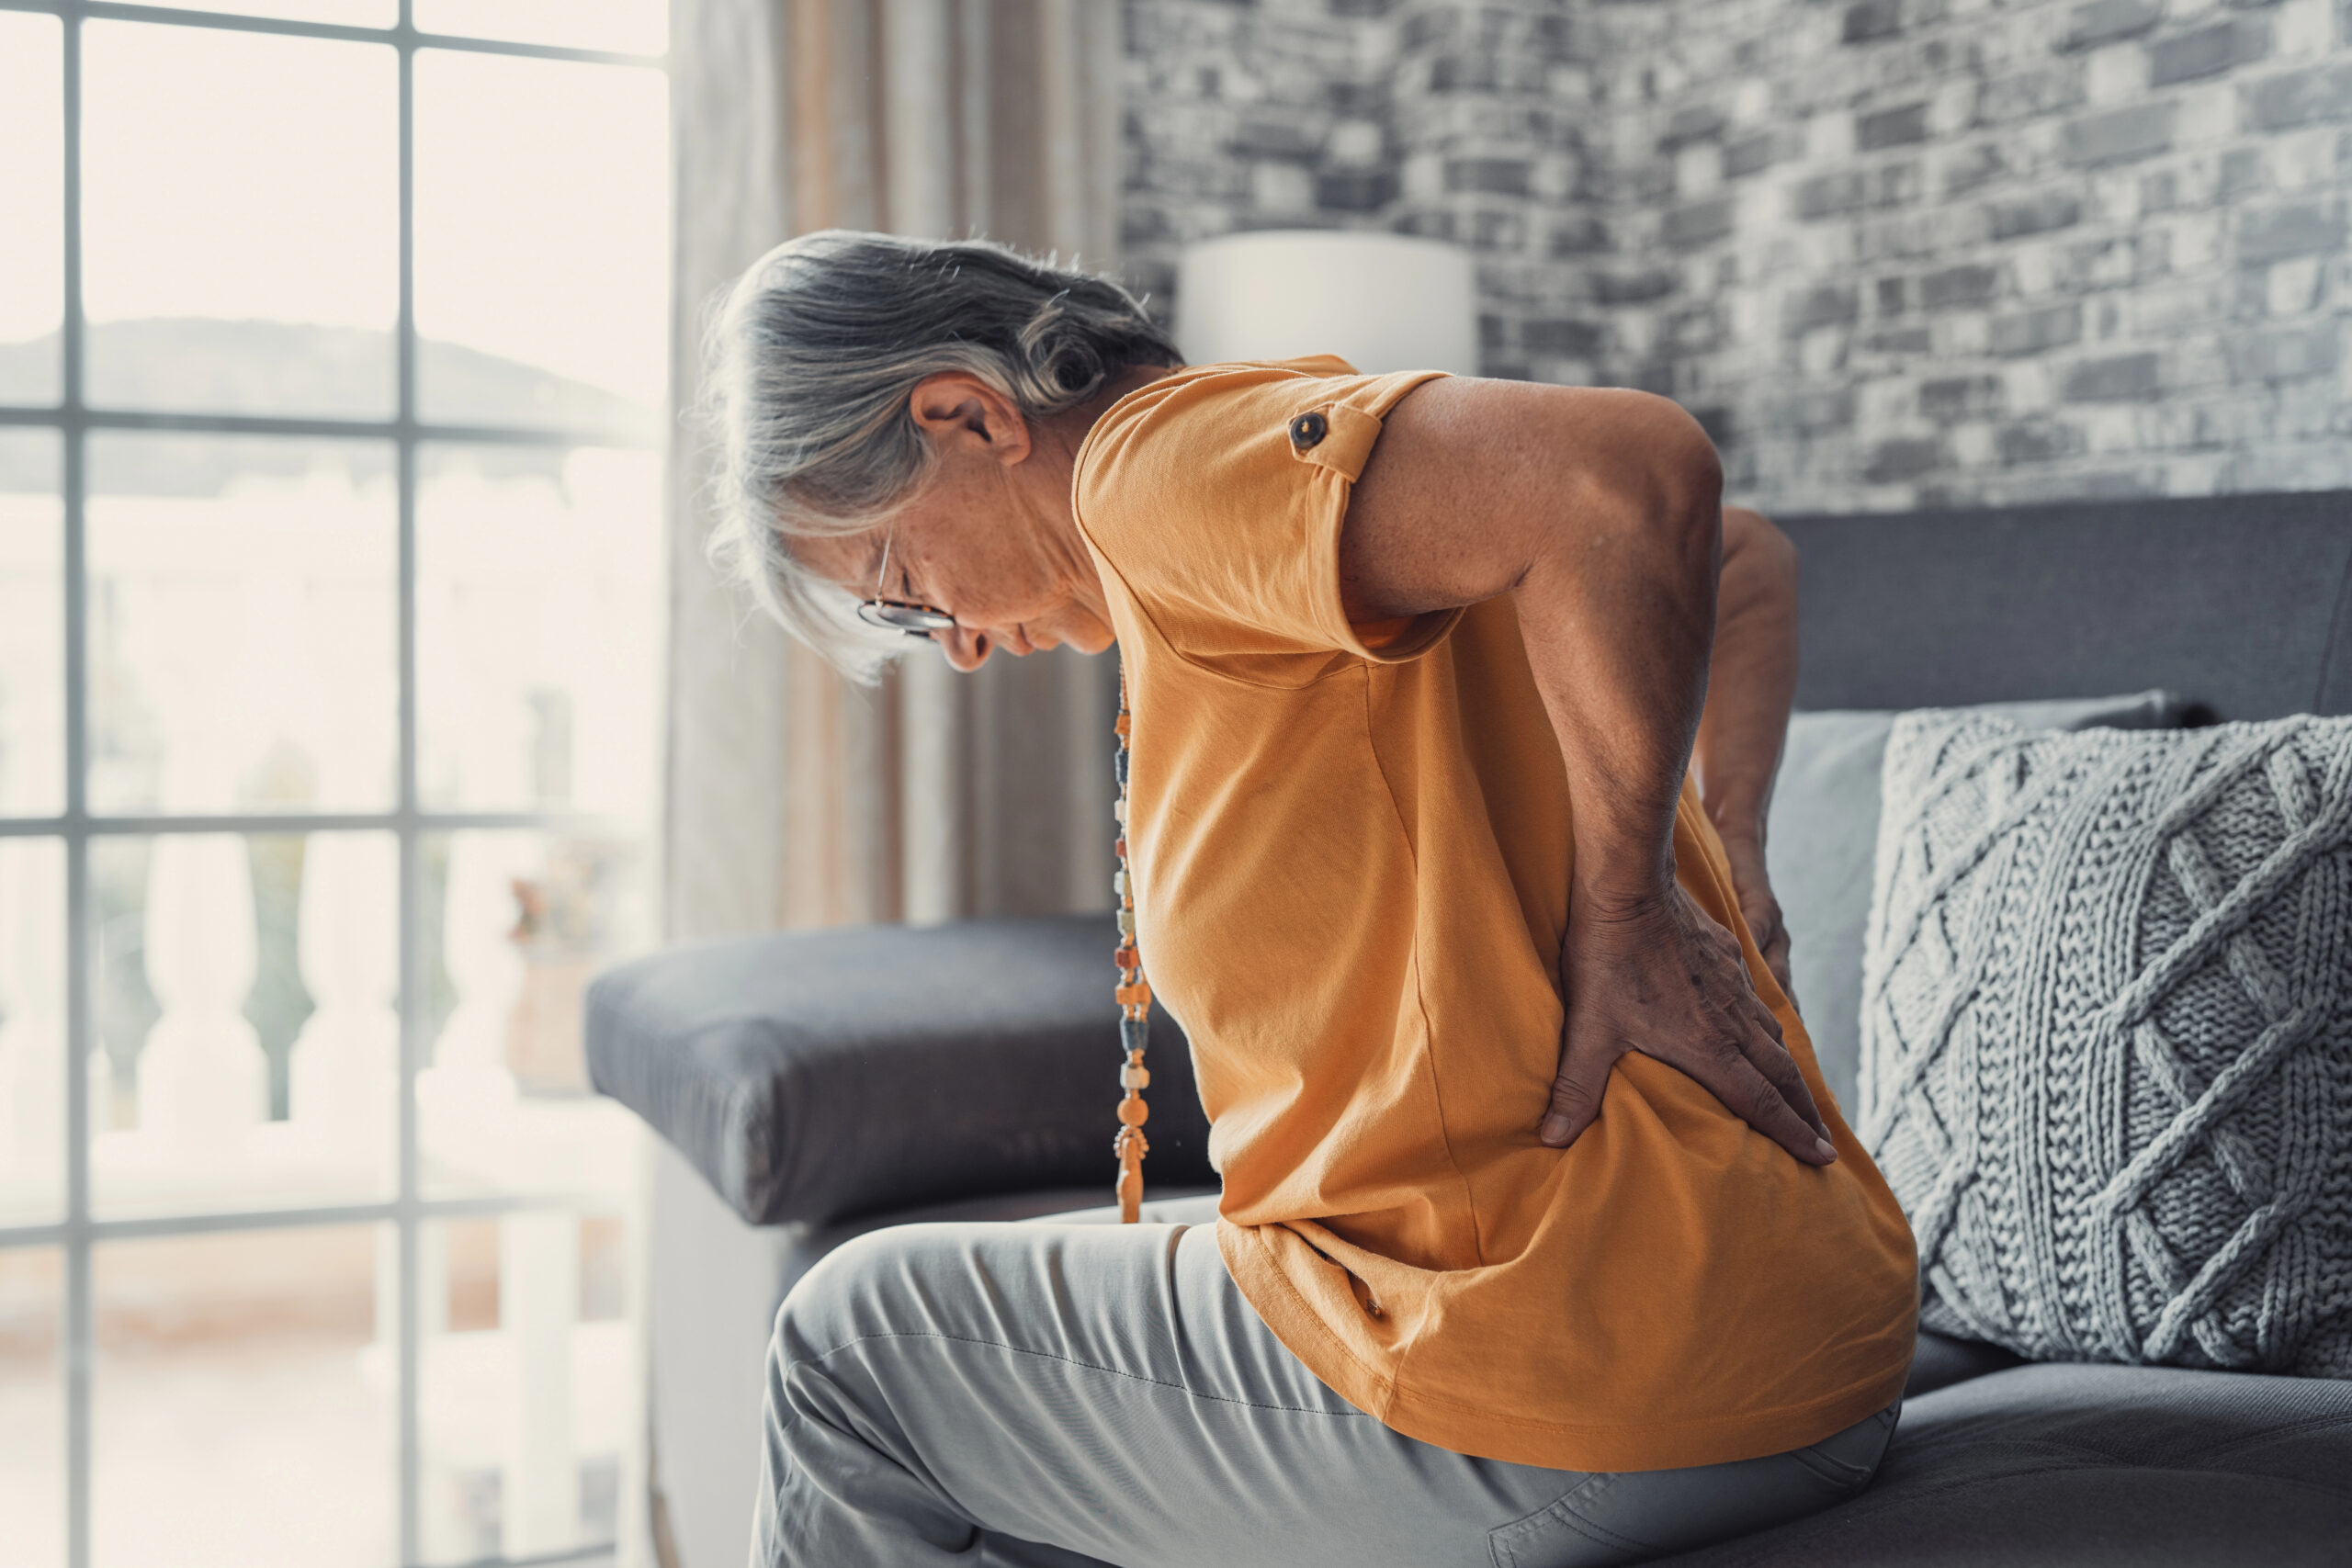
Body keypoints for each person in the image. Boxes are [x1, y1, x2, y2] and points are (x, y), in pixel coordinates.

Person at [705, 231, 1918, 1568]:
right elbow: (1742, 562)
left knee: (849, 1346)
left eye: (902, 589)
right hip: (1795, 1343)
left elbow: (1632, 473)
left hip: (1584, 1381)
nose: (963, 646)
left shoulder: (1154, 473)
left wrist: (1636, 906)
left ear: (965, 415)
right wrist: (1732, 857)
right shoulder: (1284, 519)